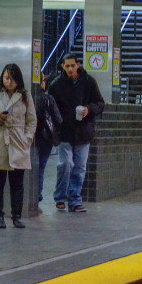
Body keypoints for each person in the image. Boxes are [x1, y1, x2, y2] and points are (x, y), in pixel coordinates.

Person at [0, 63, 37, 229]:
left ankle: (17, 216)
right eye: (6, 78)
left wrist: (27, 138)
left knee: (17, 183)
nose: (9, 81)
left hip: (18, 142)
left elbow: (32, 120)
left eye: (12, 78)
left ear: (18, 80)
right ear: (2, 78)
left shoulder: (25, 97)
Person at [48, 51, 105, 213]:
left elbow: (100, 103)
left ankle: (75, 199)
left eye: (73, 65)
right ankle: (60, 197)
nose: (70, 69)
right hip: (64, 132)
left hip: (83, 132)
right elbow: (50, 107)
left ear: (78, 65)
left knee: (79, 167)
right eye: (67, 66)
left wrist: (88, 109)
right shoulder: (56, 85)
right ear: (62, 66)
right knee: (65, 164)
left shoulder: (89, 82)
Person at [33, 75, 63, 208]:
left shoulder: (24, 98)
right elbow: (58, 119)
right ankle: (36, 196)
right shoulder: (48, 99)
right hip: (45, 139)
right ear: (42, 83)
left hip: (27, 139)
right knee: (40, 169)